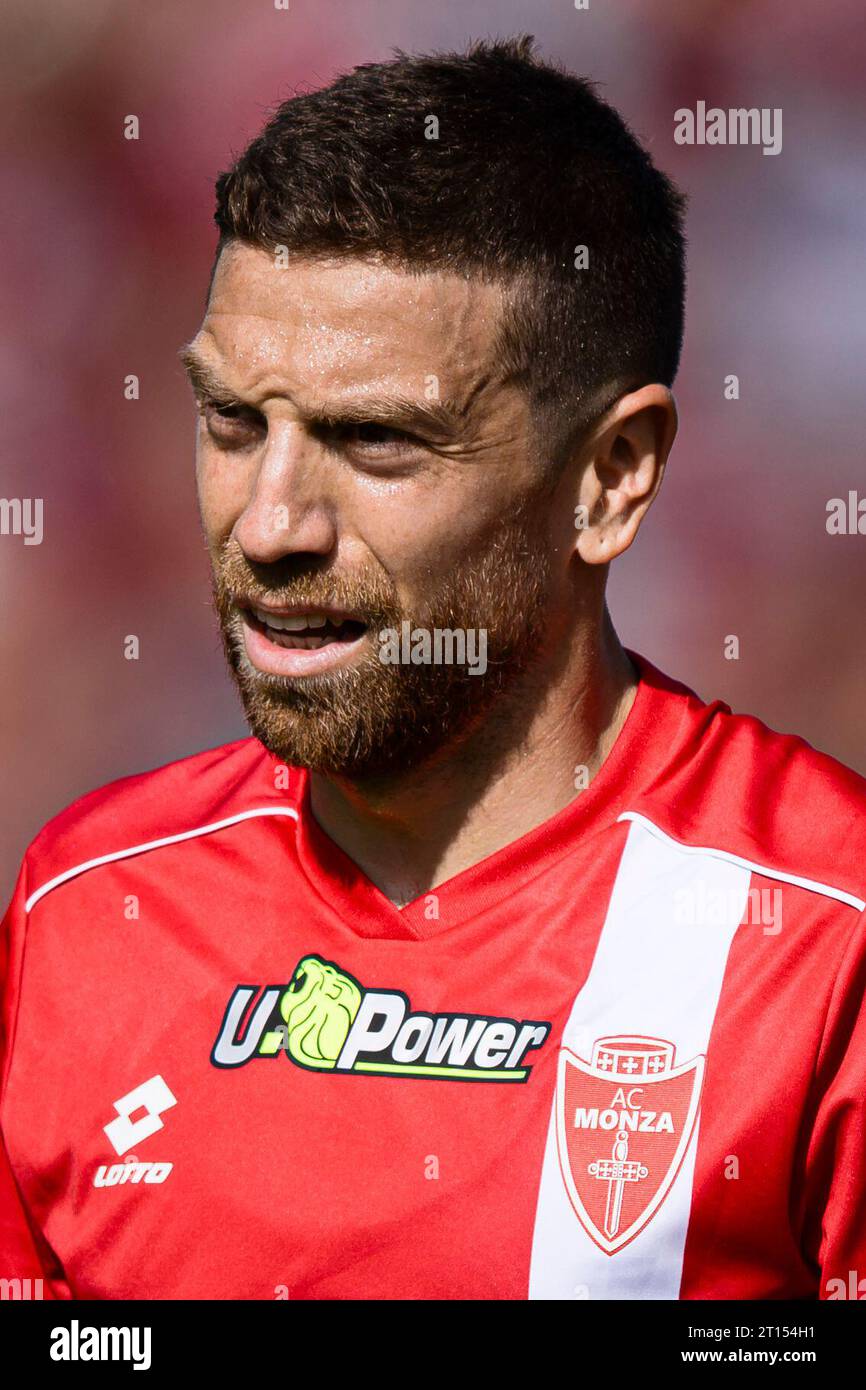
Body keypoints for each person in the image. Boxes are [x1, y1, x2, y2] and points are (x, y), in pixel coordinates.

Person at [2, 35, 864, 1302]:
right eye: (232, 422)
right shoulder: (83, 904)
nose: (268, 522)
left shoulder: (821, 938)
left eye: (375, 440)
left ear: (610, 478)